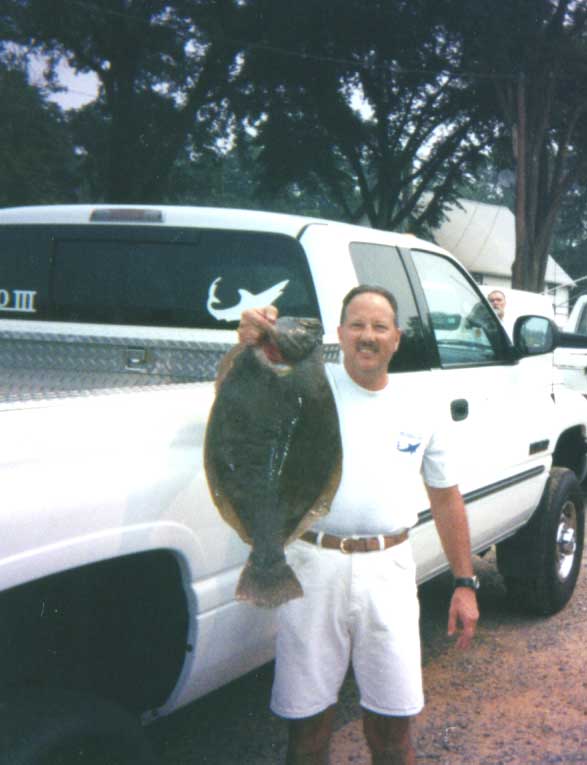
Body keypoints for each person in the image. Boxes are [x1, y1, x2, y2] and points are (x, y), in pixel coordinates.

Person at [238, 285, 479, 765]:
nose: (367, 335)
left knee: (392, 732)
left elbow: (446, 498)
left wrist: (464, 582)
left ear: (397, 338)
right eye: (357, 325)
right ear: (340, 333)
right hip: (311, 568)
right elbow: (248, 392)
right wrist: (251, 340)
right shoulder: (305, 386)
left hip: (388, 573)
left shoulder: (421, 405)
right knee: (307, 732)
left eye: (379, 326)